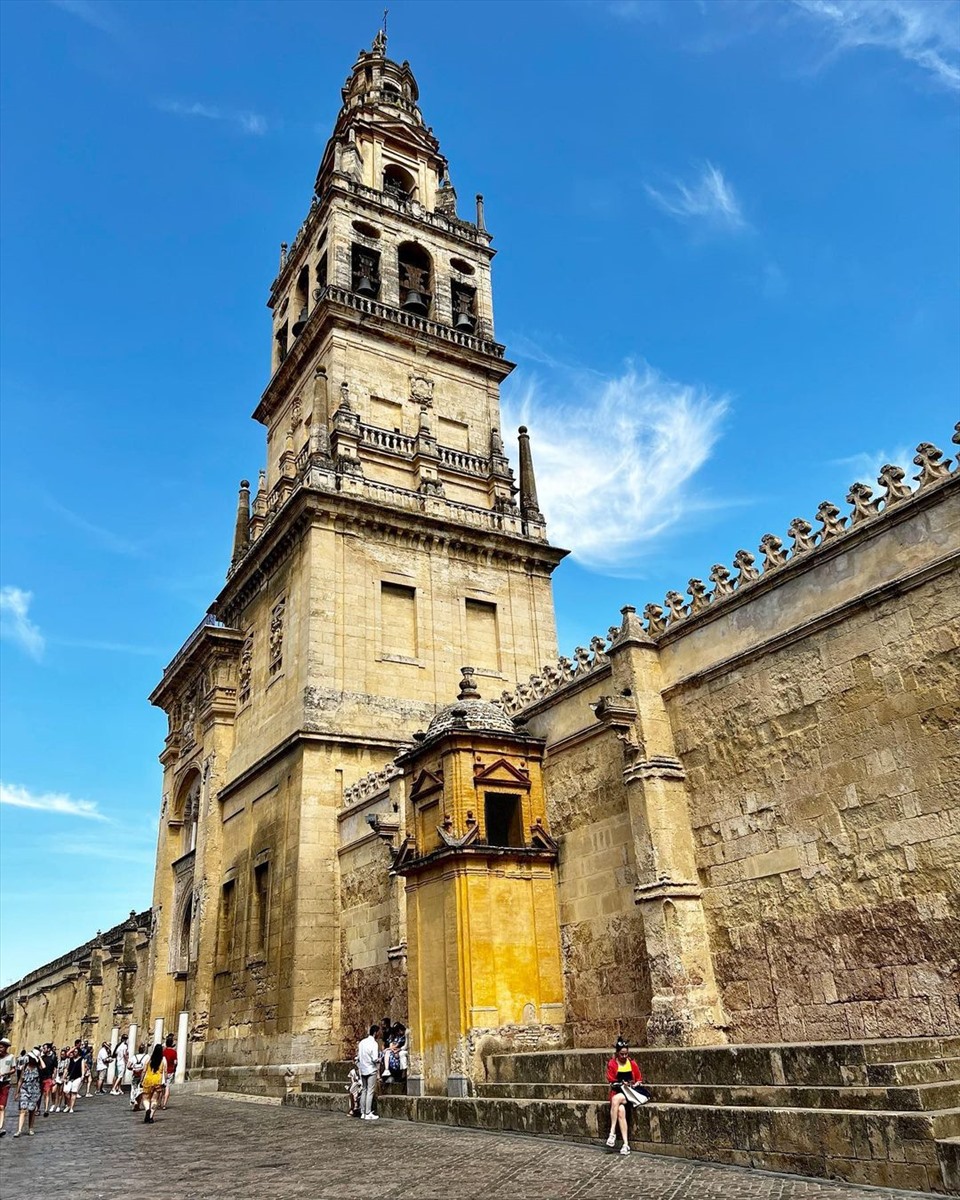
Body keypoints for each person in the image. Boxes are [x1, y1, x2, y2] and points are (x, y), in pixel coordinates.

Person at [605, 1039, 643, 1155]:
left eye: (626, 1054)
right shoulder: (612, 1064)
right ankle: (626, 1144)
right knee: (620, 1111)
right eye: (622, 1054)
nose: (624, 1056)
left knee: (615, 1099)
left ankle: (612, 1132)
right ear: (617, 1053)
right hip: (618, 1091)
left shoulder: (632, 1063)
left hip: (629, 1093)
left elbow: (639, 1079)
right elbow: (611, 1081)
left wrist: (632, 1084)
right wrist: (621, 1083)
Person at [14, 1049, 42, 1136]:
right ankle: (19, 1130)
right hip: (25, 1089)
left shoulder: (38, 1067)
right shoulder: (25, 1066)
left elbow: (44, 1067)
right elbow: (20, 1080)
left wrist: (39, 1057)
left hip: (35, 1091)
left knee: (31, 1110)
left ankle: (30, 1128)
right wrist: (17, 1092)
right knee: (23, 1110)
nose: (30, 1059)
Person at [357, 1024, 381, 1120]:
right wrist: (380, 1059)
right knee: (370, 1091)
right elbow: (375, 1058)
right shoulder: (374, 1044)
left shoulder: (362, 1042)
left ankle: (363, 1112)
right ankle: (368, 1112)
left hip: (363, 1069)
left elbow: (359, 1056)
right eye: (379, 1033)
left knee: (364, 1090)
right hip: (371, 1069)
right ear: (375, 1033)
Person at [139, 1044, 166, 1123]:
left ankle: (147, 1109)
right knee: (154, 1100)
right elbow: (165, 1071)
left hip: (148, 1080)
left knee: (145, 1098)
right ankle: (151, 1117)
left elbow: (144, 1070)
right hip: (158, 1081)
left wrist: (141, 1080)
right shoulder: (163, 1060)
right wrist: (166, 1081)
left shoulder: (149, 1059)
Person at [62, 1045, 85, 1113]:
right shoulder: (71, 1059)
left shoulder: (81, 1059)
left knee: (74, 1092)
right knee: (66, 1091)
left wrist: (82, 1076)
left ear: (78, 1052)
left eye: (76, 1052)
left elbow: (82, 1068)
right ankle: (68, 1105)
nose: (74, 1053)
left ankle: (71, 1107)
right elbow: (67, 1054)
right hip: (70, 1077)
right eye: (74, 1052)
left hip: (77, 1077)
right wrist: (64, 1076)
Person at [0, 1037, 15, 1136]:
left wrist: (6, 1073)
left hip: (5, 1083)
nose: (0, 1049)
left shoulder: (11, 1057)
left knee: (1, 1106)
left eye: (1, 1047)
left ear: (6, 1047)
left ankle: (0, 1127)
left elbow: (13, 1069)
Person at [38, 1043, 58, 1116]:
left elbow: (55, 1068)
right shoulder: (42, 1057)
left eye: (45, 1048)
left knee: (47, 1094)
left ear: (49, 1049)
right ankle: (38, 1109)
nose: (43, 1049)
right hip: (41, 1078)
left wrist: (54, 1078)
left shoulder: (53, 1057)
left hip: (48, 1078)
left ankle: (46, 1109)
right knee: (40, 1094)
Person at [129, 1043, 148, 1111]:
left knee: (134, 1089)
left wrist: (134, 1069)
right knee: (140, 1090)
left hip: (135, 1075)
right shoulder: (147, 1056)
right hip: (143, 1075)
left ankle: (135, 1103)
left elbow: (128, 1066)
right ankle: (137, 1104)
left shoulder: (134, 1057)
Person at [160, 1033, 177, 1109]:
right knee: (167, 1087)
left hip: (163, 1071)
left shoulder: (163, 1051)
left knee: (161, 1087)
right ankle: (164, 1104)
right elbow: (175, 1062)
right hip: (170, 1071)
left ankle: (159, 1103)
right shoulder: (174, 1052)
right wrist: (174, 1068)